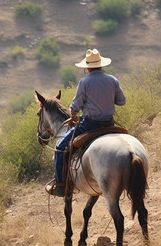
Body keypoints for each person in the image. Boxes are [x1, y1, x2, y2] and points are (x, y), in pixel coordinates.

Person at [46, 49, 127, 197]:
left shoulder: (84, 82)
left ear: (88, 67)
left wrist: (73, 113)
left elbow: (75, 106)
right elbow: (122, 101)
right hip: (109, 123)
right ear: (101, 65)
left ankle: (61, 186)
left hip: (89, 124)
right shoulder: (113, 80)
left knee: (59, 148)